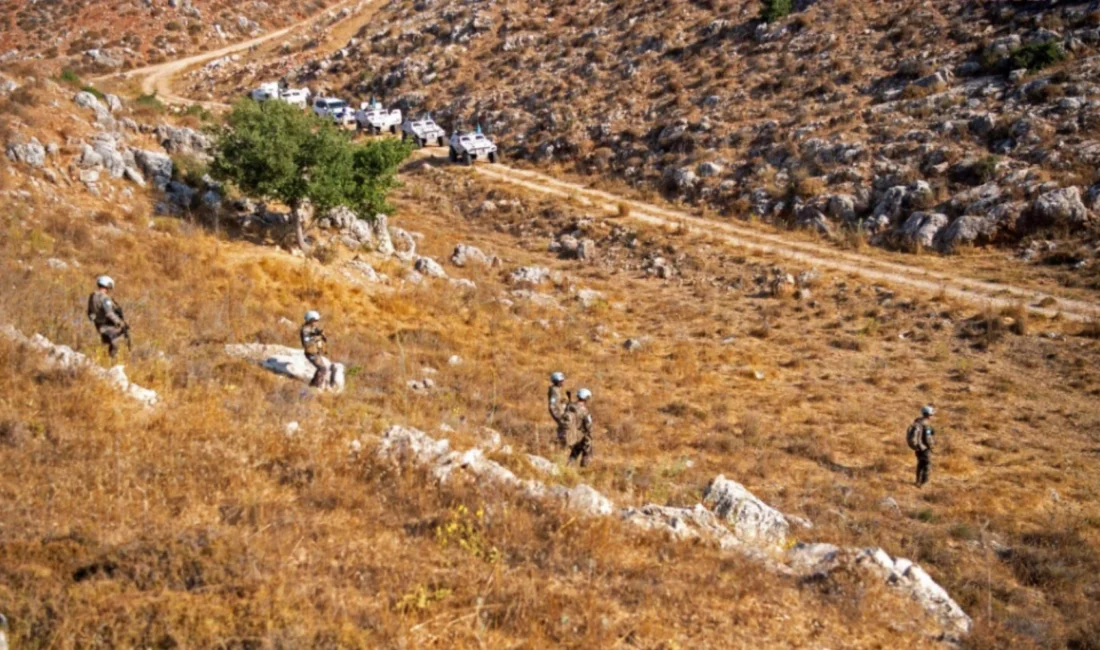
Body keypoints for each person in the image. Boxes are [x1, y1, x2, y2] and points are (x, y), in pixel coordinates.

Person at [86, 275, 128, 359]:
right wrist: (120, 322)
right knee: (116, 340)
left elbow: (89, 312)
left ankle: (104, 356)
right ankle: (112, 358)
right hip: (106, 324)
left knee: (106, 342)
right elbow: (109, 313)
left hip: (98, 323)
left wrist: (94, 319)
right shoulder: (105, 298)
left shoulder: (92, 296)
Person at [906, 405, 936, 487]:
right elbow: (927, 438)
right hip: (924, 448)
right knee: (927, 464)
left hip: (917, 447)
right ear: (929, 415)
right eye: (932, 414)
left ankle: (917, 481)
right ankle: (923, 483)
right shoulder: (926, 425)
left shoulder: (918, 421)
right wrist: (931, 446)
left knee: (920, 463)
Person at [300, 310, 331, 390]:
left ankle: (312, 385)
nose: (316, 322)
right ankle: (316, 387)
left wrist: (321, 335)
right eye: (315, 321)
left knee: (322, 368)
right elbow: (307, 343)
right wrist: (318, 337)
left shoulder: (312, 328)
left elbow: (316, 332)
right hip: (311, 353)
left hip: (315, 352)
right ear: (310, 320)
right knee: (322, 369)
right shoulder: (305, 330)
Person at [566, 388, 595, 468]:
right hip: (580, 436)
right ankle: (584, 472)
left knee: (573, 455)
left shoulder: (569, 406)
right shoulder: (585, 411)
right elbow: (589, 427)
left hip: (570, 435)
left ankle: (568, 469)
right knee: (588, 453)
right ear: (586, 398)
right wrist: (589, 438)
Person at [548, 371, 568, 446]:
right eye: (561, 381)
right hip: (557, 411)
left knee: (562, 426)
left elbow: (557, 401)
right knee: (565, 426)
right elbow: (552, 404)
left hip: (560, 410)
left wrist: (563, 402)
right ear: (557, 381)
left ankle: (559, 442)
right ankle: (559, 442)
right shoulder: (554, 391)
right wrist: (556, 414)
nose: (563, 382)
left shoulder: (556, 389)